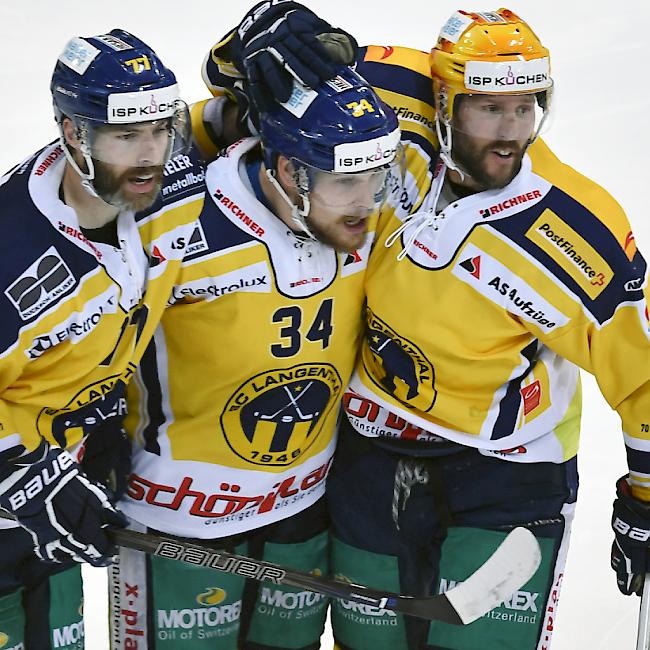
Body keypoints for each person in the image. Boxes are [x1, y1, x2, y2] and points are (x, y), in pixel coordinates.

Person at [200, 4, 650, 649]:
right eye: (488, 108)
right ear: (442, 98)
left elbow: (642, 371)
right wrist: (248, 44)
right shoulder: (382, 95)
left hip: (505, 471)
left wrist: (645, 497)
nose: (510, 131)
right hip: (368, 456)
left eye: (527, 108)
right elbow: (241, 95)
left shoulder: (575, 231)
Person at [110, 66, 403, 649]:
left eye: (377, 179)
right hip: (176, 515)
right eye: (346, 183)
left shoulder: (368, 216)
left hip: (303, 510)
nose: (367, 202)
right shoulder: (171, 220)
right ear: (289, 169)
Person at [0, 29, 204, 649]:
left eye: (159, 130)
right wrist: (20, 474)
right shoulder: (13, 258)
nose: (151, 154)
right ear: (71, 134)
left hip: (66, 481)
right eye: (125, 136)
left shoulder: (172, 175)